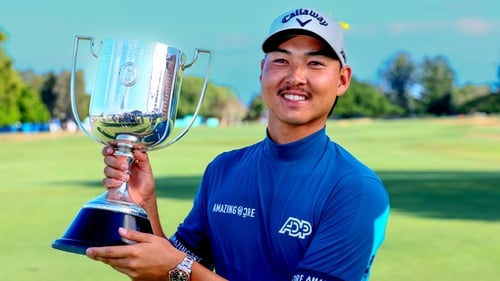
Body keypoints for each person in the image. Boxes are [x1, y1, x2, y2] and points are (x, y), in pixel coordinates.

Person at [86, 7, 390, 281]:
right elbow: (170, 270)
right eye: (282, 60)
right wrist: (144, 203)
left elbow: (179, 270)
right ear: (262, 71)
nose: (296, 76)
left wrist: (180, 270)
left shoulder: (355, 189)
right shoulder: (223, 169)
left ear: (342, 80)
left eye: (315, 63)